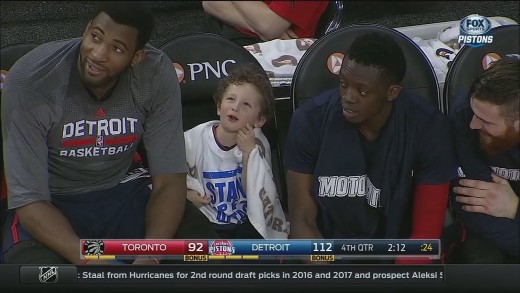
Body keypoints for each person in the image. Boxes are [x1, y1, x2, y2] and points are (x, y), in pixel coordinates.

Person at [1, 1, 217, 265]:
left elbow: (169, 180)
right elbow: (30, 201)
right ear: (86, 29)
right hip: (53, 200)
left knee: (203, 252)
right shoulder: (32, 81)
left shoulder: (156, 73)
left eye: (117, 48)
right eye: (95, 37)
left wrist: (152, 252)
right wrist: (96, 260)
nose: (98, 54)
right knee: (31, 271)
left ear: (136, 57)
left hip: (123, 190)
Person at [284, 32, 458, 264]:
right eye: (343, 84)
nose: (348, 97)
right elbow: (302, 220)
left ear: (392, 92)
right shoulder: (310, 120)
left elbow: (425, 235)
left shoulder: (429, 128)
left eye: (362, 91)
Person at [184, 64, 289, 240]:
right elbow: (169, 179)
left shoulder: (258, 143)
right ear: (219, 106)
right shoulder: (192, 139)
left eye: (246, 104)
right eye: (231, 99)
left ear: (259, 120)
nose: (235, 107)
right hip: (207, 219)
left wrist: (249, 153)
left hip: (245, 221)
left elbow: (257, 192)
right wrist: (187, 194)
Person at [446, 58, 519, 263]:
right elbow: (474, 211)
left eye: (486, 121)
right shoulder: (464, 116)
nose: (473, 124)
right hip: (490, 236)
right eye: (474, 113)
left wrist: (515, 208)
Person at [202, 1, 329, 46]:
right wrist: (258, 26)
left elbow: (269, 26)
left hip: (272, 50)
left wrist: (266, 27)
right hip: (226, 26)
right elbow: (209, 3)